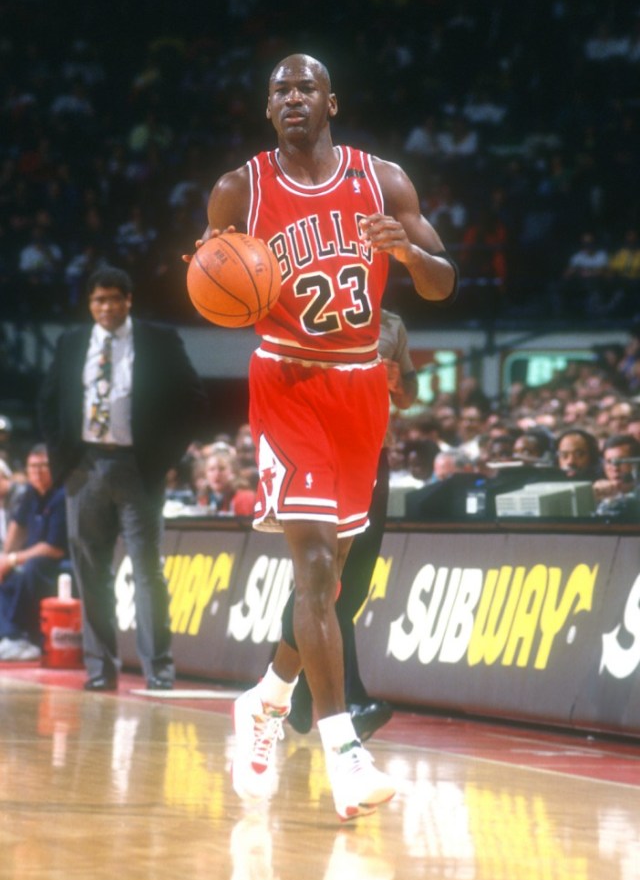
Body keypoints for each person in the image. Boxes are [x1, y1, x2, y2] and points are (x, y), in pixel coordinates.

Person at [195, 53, 457, 821]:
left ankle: (268, 698)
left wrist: (407, 251)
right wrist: (218, 273)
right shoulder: (240, 188)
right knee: (313, 565)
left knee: (331, 581)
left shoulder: (384, 181)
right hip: (287, 381)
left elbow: (442, 280)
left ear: (331, 101)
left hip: (360, 385)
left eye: (305, 86)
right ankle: (345, 752)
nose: (292, 97)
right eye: (280, 89)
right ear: (267, 108)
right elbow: (210, 277)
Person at [38, 265, 208, 692]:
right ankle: (100, 669)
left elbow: (192, 397)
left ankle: (159, 670)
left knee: (147, 570)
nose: (107, 306)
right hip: (84, 467)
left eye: (115, 298)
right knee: (90, 571)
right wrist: (63, 459)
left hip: (139, 468)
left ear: (128, 300)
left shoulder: (158, 340)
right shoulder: (72, 342)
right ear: (90, 304)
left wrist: (167, 457)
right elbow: (48, 401)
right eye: (99, 299)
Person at [287, 308, 418, 741]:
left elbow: (409, 396)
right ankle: (349, 702)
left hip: (372, 455)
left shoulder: (392, 323)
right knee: (323, 576)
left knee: (353, 584)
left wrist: (399, 383)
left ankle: (292, 689)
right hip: (317, 452)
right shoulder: (311, 302)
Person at [0, 444, 67, 661]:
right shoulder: (31, 492)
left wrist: (11, 559)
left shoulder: (62, 495)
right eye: (32, 466)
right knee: (8, 572)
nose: (37, 472)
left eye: (43, 466)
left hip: (59, 562)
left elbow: (54, 549)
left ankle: (21, 637)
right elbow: (18, 527)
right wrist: (4, 558)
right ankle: (7, 636)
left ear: (54, 467)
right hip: (33, 558)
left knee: (29, 569)